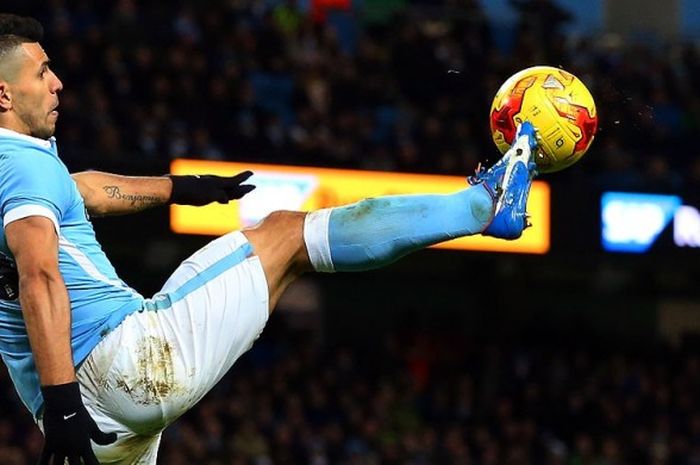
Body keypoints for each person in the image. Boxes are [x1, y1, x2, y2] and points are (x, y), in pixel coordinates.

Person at [0, 13, 538, 465]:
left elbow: (83, 191)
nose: (57, 82)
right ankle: (484, 207)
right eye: (42, 71)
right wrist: (64, 396)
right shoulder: (21, 164)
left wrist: (183, 188)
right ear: (4, 92)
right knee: (288, 236)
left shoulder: (21, 170)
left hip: (83, 425)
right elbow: (39, 275)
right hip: (111, 368)